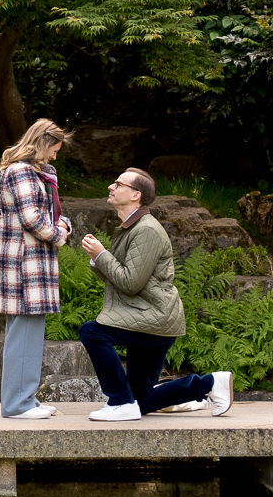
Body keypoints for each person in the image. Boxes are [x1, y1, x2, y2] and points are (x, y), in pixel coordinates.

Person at [77, 167, 233, 421]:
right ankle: (210, 383)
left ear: (136, 194)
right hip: (147, 317)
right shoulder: (132, 227)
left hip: (153, 318)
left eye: (118, 184)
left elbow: (129, 283)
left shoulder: (146, 230)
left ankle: (118, 399)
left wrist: (102, 255)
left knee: (91, 331)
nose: (111, 187)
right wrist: (98, 259)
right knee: (142, 400)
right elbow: (121, 277)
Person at [0, 119, 73, 419]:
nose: (55, 156)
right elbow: (32, 219)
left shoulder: (34, 173)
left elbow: (48, 215)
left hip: (31, 262)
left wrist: (62, 225)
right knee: (24, 334)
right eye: (54, 149)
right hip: (25, 264)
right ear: (42, 143)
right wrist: (59, 235)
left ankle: (25, 398)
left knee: (28, 332)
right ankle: (17, 404)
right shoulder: (21, 171)